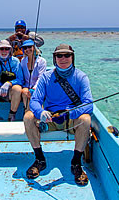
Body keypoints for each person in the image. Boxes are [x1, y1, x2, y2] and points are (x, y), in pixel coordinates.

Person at [23, 44, 93, 186]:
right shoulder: (46, 77)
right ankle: (39, 159)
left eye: (67, 55)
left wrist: (70, 114)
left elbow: (88, 104)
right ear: (54, 58)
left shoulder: (81, 77)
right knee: (28, 117)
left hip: (71, 119)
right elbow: (35, 100)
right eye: (59, 55)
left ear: (72, 57)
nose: (63, 58)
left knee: (86, 119)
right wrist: (41, 112)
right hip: (51, 119)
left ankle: (76, 163)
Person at [20, 39, 47, 111]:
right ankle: (27, 111)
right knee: (25, 92)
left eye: (29, 47)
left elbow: (41, 77)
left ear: (34, 48)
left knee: (34, 93)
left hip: (38, 86)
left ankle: (39, 113)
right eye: (25, 48)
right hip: (26, 86)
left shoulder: (42, 61)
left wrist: (34, 88)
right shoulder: (23, 61)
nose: (27, 49)